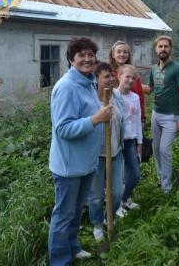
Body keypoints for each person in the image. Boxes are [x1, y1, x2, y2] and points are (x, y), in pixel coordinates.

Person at [48, 37, 111, 265]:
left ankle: (73, 247)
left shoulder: (87, 82)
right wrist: (96, 119)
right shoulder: (66, 87)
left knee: (75, 213)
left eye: (90, 55)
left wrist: (99, 112)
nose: (87, 59)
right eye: (81, 55)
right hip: (68, 167)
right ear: (71, 59)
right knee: (63, 216)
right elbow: (63, 128)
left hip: (85, 163)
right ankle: (59, 260)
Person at [88, 62, 126, 242]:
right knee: (96, 196)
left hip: (116, 152)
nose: (111, 79)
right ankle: (97, 224)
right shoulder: (90, 100)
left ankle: (108, 216)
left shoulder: (117, 97)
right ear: (96, 80)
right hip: (97, 155)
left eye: (112, 75)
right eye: (106, 76)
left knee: (117, 193)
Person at [146, 35, 179, 193]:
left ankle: (167, 188)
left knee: (164, 150)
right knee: (156, 149)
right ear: (156, 49)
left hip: (171, 117)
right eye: (160, 46)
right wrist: (127, 83)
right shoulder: (154, 69)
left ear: (170, 49)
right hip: (156, 114)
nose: (163, 49)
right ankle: (161, 178)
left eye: (166, 46)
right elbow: (149, 90)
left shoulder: (177, 69)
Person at [115, 65, 143, 213]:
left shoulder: (135, 97)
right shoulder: (113, 96)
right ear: (119, 76)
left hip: (131, 140)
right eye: (127, 76)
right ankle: (116, 205)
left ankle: (125, 198)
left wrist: (140, 142)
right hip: (116, 142)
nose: (131, 80)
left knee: (134, 173)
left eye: (133, 78)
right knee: (118, 175)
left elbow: (138, 120)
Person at [108, 40, 147, 122]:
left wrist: (142, 117)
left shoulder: (133, 73)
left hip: (132, 117)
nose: (122, 54)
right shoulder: (108, 73)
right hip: (114, 118)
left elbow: (140, 96)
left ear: (128, 55)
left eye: (125, 52)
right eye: (119, 52)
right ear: (113, 55)